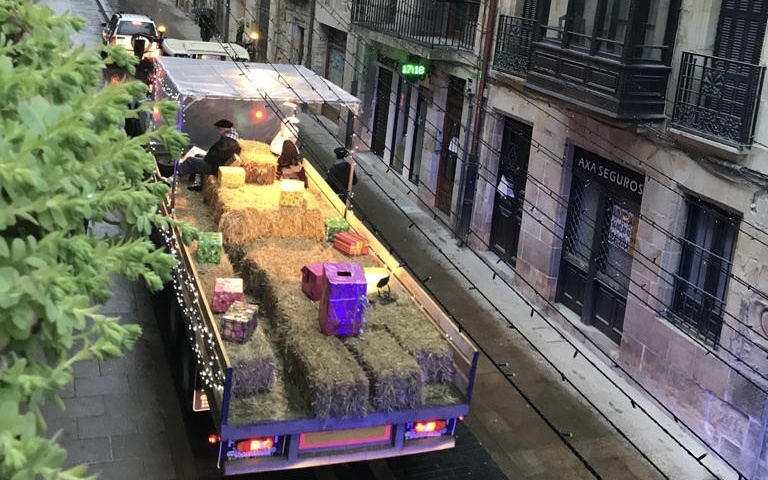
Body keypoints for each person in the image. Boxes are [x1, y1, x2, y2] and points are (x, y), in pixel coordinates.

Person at [172, 119, 241, 191]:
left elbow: (218, 156)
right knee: (197, 155)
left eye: (220, 130)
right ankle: (197, 183)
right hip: (215, 164)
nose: (219, 132)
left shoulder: (228, 141)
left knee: (190, 160)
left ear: (225, 129)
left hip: (214, 167)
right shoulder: (230, 139)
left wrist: (207, 157)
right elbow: (217, 153)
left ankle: (173, 178)